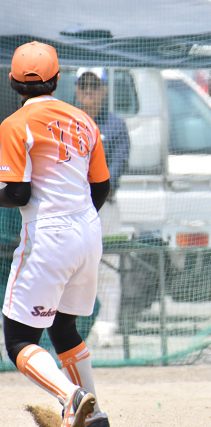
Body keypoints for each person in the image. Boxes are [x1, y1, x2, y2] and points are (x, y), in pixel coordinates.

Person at [1, 42, 111, 426]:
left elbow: (17, 192)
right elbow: (101, 188)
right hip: (87, 229)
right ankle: (95, 416)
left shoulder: (15, 125)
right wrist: (78, 223)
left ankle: (72, 397)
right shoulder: (84, 119)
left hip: (50, 232)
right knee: (64, 327)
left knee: (18, 340)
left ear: (13, 82)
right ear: (58, 79)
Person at [75, 68, 130, 347]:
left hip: (105, 206)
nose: (88, 91)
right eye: (83, 85)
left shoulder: (116, 126)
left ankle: (106, 326)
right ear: (74, 89)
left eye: (94, 86)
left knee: (108, 265)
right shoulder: (66, 122)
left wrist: (93, 190)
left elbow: (118, 168)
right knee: (70, 264)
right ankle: (70, 324)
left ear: (105, 90)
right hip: (71, 207)